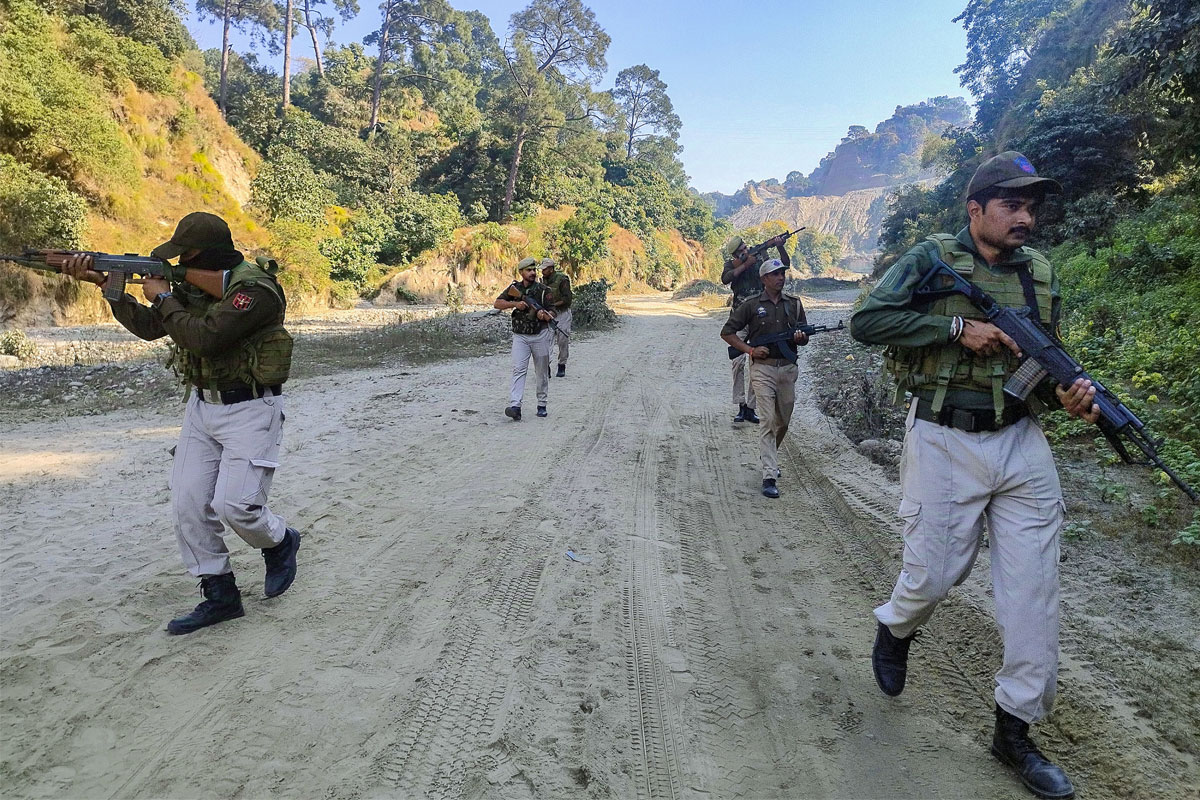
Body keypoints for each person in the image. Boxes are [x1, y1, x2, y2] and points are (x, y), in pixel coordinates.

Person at [850, 152, 1100, 800]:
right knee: (934, 574)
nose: (1026, 216)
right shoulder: (932, 256)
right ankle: (897, 626)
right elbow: (867, 322)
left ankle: (1014, 731)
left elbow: (1041, 362)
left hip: (1020, 442)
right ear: (975, 209)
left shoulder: (1039, 273)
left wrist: (1068, 398)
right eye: (1012, 204)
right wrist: (955, 327)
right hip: (941, 437)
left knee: (1033, 597)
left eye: (1032, 206)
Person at [60, 212, 301, 635]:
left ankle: (280, 542)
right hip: (201, 406)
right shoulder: (190, 285)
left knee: (237, 507)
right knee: (188, 505)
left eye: (185, 256)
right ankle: (220, 595)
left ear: (207, 255)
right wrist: (109, 286)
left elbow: (205, 338)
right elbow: (153, 329)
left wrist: (163, 296)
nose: (178, 266)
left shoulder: (255, 290)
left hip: (250, 409)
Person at [720, 258, 809, 498]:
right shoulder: (750, 306)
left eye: (782, 273)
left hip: (788, 368)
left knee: (783, 421)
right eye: (775, 274)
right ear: (764, 279)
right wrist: (750, 350)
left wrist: (800, 338)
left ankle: (768, 452)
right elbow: (727, 333)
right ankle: (769, 475)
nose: (780, 278)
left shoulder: (795, 304)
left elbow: (805, 334)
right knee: (768, 420)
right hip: (762, 369)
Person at [721, 233, 791, 423]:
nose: (746, 251)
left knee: (756, 362)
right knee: (737, 363)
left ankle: (750, 407)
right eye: (742, 251)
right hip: (739, 317)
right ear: (736, 256)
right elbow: (726, 278)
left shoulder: (760, 257)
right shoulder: (731, 265)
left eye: (746, 247)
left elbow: (783, 265)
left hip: (759, 318)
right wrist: (746, 264)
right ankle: (740, 404)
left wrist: (779, 246)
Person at [494, 256, 556, 420]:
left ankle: (542, 404)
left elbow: (553, 310)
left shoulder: (544, 290)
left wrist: (545, 315)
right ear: (521, 272)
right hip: (520, 336)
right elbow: (497, 303)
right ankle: (516, 406)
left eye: (534, 270)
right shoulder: (514, 288)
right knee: (518, 370)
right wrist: (515, 304)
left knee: (541, 372)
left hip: (540, 335)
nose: (532, 273)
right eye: (528, 270)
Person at [540, 257, 572, 377]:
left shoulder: (562, 279)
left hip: (562, 313)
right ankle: (545, 367)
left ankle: (562, 365)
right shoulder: (543, 281)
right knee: (546, 341)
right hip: (548, 314)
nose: (542, 271)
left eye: (545, 269)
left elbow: (567, 299)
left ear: (551, 269)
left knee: (562, 340)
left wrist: (553, 305)